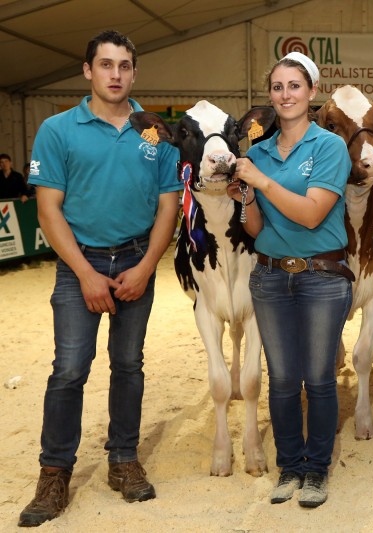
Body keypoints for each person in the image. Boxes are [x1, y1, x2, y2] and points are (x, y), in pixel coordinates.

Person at [18, 30, 180, 528]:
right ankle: (54, 471)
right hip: (79, 266)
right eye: (105, 65)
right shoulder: (58, 129)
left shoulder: (154, 131)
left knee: (128, 365)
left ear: (134, 72)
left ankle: (123, 460)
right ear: (87, 70)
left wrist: (148, 266)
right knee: (69, 368)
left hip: (137, 260)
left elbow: (168, 205)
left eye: (124, 65)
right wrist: (85, 273)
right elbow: (49, 211)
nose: (115, 74)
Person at [228, 51, 352, 508]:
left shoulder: (329, 147)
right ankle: (290, 467)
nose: (285, 95)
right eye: (278, 87)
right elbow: (257, 230)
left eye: (294, 86)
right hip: (271, 277)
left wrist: (260, 182)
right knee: (281, 379)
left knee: (318, 378)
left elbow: (312, 213)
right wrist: (246, 199)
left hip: (322, 278)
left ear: (311, 92)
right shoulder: (257, 152)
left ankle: (316, 470)